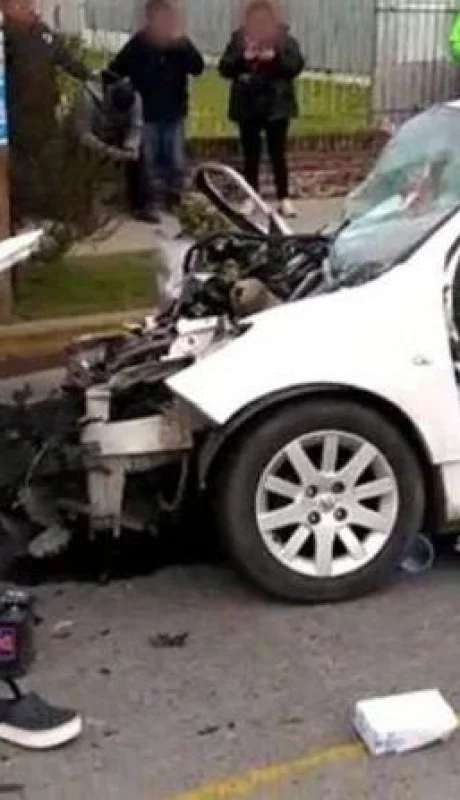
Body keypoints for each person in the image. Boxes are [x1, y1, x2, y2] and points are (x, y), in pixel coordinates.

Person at [109, 0, 205, 215]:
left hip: (174, 111)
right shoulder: (138, 44)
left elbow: (198, 67)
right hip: (146, 113)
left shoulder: (180, 44)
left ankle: (174, 199)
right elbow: (115, 70)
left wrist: (184, 46)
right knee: (148, 163)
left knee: (175, 161)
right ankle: (147, 204)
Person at [219, 0, 304, 218]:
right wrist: (242, 58)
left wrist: (275, 59)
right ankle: (250, 197)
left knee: (278, 154)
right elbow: (224, 68)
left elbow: (296, 66)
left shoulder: (284, 39)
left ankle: (283, 198)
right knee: (251, 155)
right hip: (248, 105)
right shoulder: (239, 39)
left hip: (276, 105)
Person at [78, 71, 152, 220]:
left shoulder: (135, 97)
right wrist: (107, 150)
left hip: (120, 130)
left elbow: (136, 125)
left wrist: (131, 147)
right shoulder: (87, 98)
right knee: (80, 159)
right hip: (96, 131)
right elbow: (83, 134)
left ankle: (140, 206)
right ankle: (82, 205)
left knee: (141, 156)